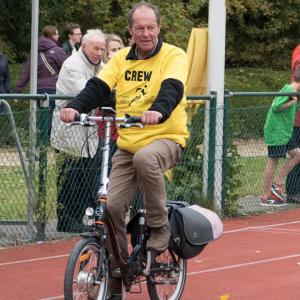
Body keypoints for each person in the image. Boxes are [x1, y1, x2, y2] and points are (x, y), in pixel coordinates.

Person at [60, 2, 189, 298]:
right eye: (139, 28)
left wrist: (158, 110)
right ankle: (118, 271)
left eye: (151, 27)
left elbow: (172, 88)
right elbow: (98, 87)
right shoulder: (120, 61)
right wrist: (74, 107)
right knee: (112, 208)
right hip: (129, 146)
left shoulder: (173, 55)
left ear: (159, 28)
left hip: (165, 137)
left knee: (147, 158)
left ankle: (159, 227)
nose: (146, 34)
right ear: (130, 32)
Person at [50, 29, 106, 232]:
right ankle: (65, 220)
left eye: (102, 49)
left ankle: (80, 217)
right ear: (84, 46)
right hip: (70, 131)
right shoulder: (72, 64)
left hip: (89, 131)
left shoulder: (101, 66)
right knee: (69, 178)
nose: (99, 53)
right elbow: (88, 93)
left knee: (87, 176)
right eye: (95, 48)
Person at [14, 25, 67, 137]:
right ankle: (47, 143)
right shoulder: (58, 51)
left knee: (43, 117)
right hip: (53, 89)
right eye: (57, 34)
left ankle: (39, 142)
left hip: (39, 90)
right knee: (53, 117)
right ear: (53, 36)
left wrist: (17, 92)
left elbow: (26, 73)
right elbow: (68, 69)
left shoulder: (34, 52)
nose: (58, 36)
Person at [261, 67, 300, 206]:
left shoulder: (296, 93)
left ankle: (277, 184)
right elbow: (277, 106)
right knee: (273, 160)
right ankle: (265, 197)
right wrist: (292, 101)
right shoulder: (289, 90)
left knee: (297, 154)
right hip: (276, 130)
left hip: (286, 131)